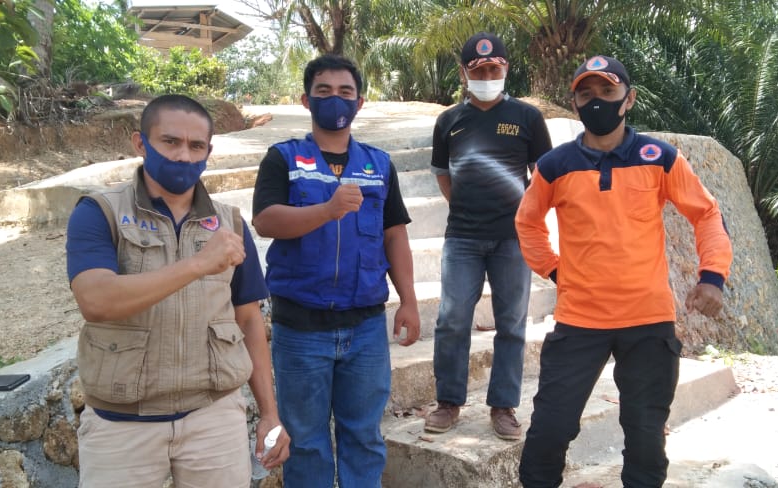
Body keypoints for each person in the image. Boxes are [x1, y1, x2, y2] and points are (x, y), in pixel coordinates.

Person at [514, 55, 733, 487]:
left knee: (646, 436)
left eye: (607, 91)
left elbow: (706, 214)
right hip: (579, 321)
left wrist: (712, 276)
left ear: (628, 99)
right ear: (575, 104)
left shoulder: (660, 158)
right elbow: (528, 222)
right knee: (550, 430)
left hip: (648, 321)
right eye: (586, 94)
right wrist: (556, 271)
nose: (597, 101)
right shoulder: (555, 166)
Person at [65, 94, 289, 487]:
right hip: (122, 426)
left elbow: (249, 320)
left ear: (208, 152)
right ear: (140, 143)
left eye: (196, 146)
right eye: (170, 142)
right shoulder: (100, 212)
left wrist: (269, 414)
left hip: (213, 419)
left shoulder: (230, 224)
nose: (184, 156)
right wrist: (198, 264)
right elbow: (96, 300)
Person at [251, 54, 421, 487]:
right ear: (306, 100)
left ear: (359, 102)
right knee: (306, 442)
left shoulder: (379, 165)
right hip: (301, 328)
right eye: (323, 91)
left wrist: (409, 301)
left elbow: (394, 235)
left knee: (364, 437)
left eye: (345, 92)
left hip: (365, 327)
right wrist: (326, 210)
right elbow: (265, 221)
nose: (335, 99)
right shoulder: (284, 158)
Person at [424, 32, 553, 441]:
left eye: (494, 69)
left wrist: (526, 220)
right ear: (464, 73)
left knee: (511, 322)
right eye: (478, 71)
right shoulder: (448, 122)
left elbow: (544, 176)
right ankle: (448, 402)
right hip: (462, 237)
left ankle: (503, 406)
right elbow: (443, 175)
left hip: (512, 239)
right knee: (451, 320)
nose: (487, 77)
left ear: (506, 69)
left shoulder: (528, 118)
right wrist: (466, 205)